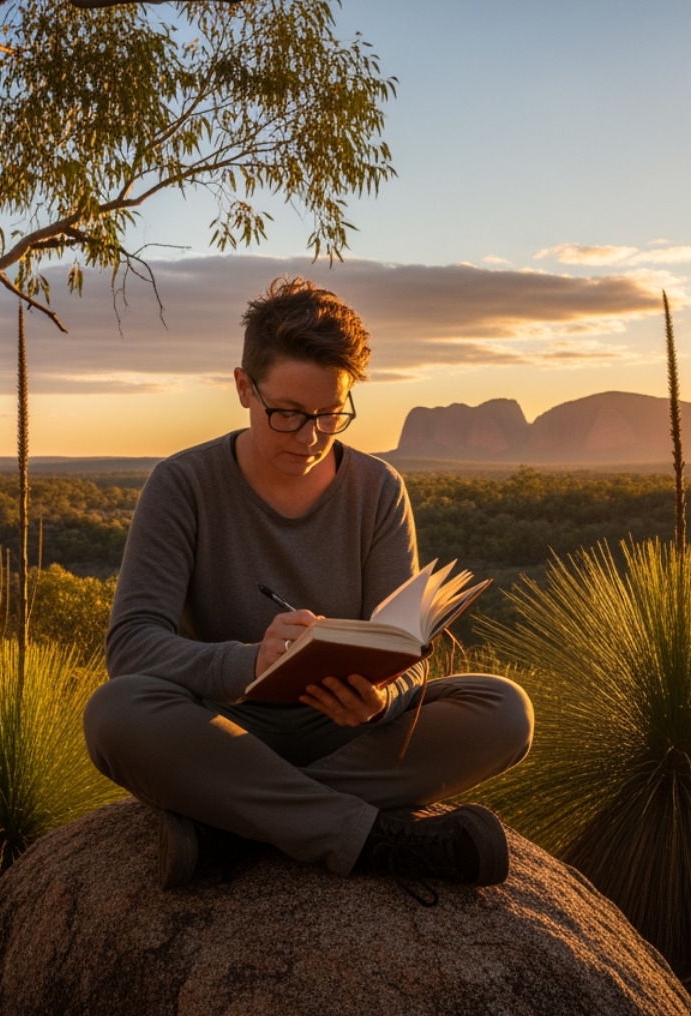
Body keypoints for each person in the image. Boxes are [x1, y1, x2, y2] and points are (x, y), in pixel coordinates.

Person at [83, 277, 533, 896]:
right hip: (225, 730)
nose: (310, 437)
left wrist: (384, 697)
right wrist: (250, 662)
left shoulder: (377, 489)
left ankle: (233, 826)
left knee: (504, 710)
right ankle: (374, 838)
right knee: (115, 714)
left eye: (330, 414)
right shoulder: (182, 485)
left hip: (347, 732)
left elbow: (404, 650)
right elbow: (131, 647)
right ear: (244, 387)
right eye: (288, 414)